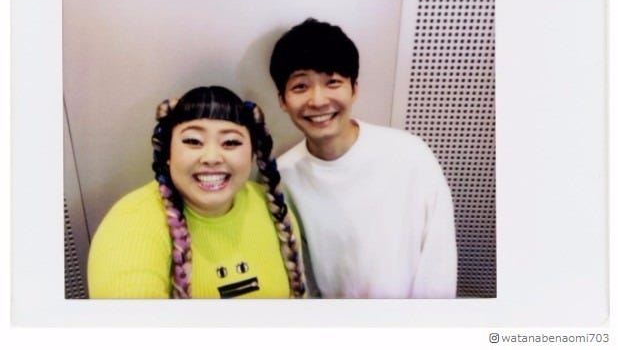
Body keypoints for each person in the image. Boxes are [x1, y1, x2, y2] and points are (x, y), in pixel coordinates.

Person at [268, 18, 457, 299]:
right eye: (300, 86)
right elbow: (299, 274)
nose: (318, 100)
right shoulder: (282, 177)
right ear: (282, 100)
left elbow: (438, 260)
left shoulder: (409, 155)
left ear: (354, 88)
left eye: (333, 82)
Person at [88, 86, 306, 299]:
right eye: (193, 141)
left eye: (230, 142)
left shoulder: (270, 205)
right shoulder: (132, 223)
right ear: (168, 153)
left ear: (252, 155)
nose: (212, 157)